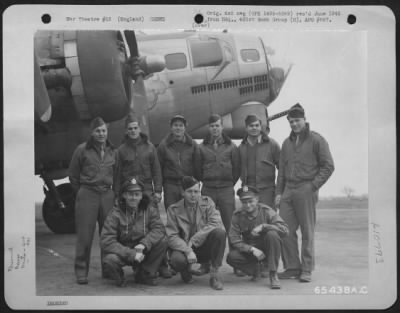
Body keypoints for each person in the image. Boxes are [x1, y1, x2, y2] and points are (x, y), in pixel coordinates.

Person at [275, 103, 334, 283]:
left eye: (297, 120)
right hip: (288, 191)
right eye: (291, 121)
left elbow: (328, 166)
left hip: (306, 189)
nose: (294, 124)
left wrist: (313, 185)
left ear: (304, 120)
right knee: (284, 229)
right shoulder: (286, 143)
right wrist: (279, 193)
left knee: (307, 231)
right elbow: (282, 172)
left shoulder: (317, 140)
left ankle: (306, 269)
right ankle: (292, 267)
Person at [113, 114, 171, 278]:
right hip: (129, 195)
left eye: (135, 128)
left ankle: (163, 264)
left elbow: (156, 171)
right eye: (130, 129)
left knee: (156, 228)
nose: (133, 131)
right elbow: (117, 176)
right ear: (126, 131)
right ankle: (138, 263)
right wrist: (117, 196)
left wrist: (158, 190)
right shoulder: (121, 150)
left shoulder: (150, 147)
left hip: (146, 192)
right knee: (134, 229)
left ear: (140, 128)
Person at [68, 117, 118, 284]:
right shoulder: (81, 150)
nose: (101, 133)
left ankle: (108, 268)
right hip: (87, 194)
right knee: (85, 235)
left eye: (103, 130)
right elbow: (73, 176)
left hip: (107, 195)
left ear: (107, 131)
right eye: (98, 131)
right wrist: (83, 193)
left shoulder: (113, 151)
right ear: (92, 132)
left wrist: (114, 195)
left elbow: (117, 176)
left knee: (108, 235)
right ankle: (81, 272)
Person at [101, 178, 168, 287]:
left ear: (141, 196)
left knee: (163, 241)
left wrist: (144, 244)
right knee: (109, 260)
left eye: (137, 194)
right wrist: (131, 254)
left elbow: (159, 229)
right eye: (130, 194)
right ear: (124, 195)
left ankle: (144, 274)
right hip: (123, 251)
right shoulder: (115, 214)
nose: (133, 198)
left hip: (143, 250)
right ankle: (119, 277)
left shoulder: (149, 210)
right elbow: (106, 240)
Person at [197, 114, 241, 276]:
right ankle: (205, 263)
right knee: (205, 226)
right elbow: (197, 169)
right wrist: (207, 181)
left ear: (222, 127)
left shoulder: (232, 148)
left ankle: (237, 262)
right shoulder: (201, 148)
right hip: (207, 189)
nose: (215, 129)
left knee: (231, 226)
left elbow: (237, 169)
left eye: (217, 125)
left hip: (226, 190)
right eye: (212, 126)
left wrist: (227, 183)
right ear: (208, 128)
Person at [166, 176, 226, 290]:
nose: (193, 195)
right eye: (189, 191)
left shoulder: (208, 203)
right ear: (182, 192)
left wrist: (194, 240)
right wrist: (188, 250)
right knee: (176, 260)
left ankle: (214, 275)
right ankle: (185, 270)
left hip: (202, 246)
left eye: (196, 191)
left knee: (220, 234)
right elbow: (172, 236)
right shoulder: (173, 209)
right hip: (184, 248)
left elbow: (216, 223)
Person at [227, 186, 289, 289]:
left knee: (272, 234)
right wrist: (251, 249)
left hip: (267, 249)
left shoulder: (267, 211)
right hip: (251, 251)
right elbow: (234, 239)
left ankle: (273, 274)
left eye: (251, 201)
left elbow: (285, 230)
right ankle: (255, 270)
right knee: (231, 257)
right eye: (244, 202)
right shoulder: (237, 215)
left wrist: (265, 226)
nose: (247, 205)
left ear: (257, 199)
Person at [157, 115, 201, 210]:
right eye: (175, 125)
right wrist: (158, 190)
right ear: (171, 127)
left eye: (181, 125)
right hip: (170, 186)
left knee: (189, 216)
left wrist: (196, 184)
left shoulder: (193, 145)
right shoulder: (163, 145)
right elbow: (158, 169)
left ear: (185, 128)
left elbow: (197, 166)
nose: (178, 128)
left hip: (188, 186)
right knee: (172, 215)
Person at [238, 115, 280, 209]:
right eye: (251, 126)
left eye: (257, 125)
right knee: (250, 219)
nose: (254, 128)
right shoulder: (241, 147)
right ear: (246, 128)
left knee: (268, 218)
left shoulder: (272, 144)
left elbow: (282, 168)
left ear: (261, 127)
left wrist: (278, 191)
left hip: (267, 191)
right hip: (248, 190)